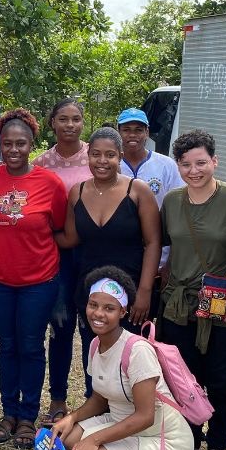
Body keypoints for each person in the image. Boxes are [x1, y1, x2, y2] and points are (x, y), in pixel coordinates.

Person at [50, 267, 193, 450]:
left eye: (109, 308)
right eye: (93, 305)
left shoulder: (137, 351)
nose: (99, 314)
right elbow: (100, 398)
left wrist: (95, 440)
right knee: (67, 437)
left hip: (161, 434)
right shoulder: (95, 345)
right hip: (121, 420)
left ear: (123, 313)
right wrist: (71, 417)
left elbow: (145, 416)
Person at [160, 129, 226, 450]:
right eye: (186, 164)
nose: (194, 170)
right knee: (183, 379)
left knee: (221, 378)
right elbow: (167, 246)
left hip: (225, 306)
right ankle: (190, 443)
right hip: (180, 306)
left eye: (201, 162)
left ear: (214, 161)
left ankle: (218, 447)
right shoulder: (171, 202)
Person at [0, 109, 68, 450]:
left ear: (33, 144)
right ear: (0, 144)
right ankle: (8, 412)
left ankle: (28, 417)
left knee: (31, 345)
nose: (14, 149)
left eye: (22, 143)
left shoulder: (50, 183)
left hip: (39, 280)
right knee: (8, 345)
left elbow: (61, 229)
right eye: (8, 143)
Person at [57, 126, 162, 394]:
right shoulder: (77, 193)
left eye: (110, 155)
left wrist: (144, 292)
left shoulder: (137, 191)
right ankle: (96, 406)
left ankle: (131, 415)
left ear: (120, 156)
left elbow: (153, 243)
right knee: (93, 353)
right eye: (96, 155)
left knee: (131, 357)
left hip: (130, 296)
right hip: (89, 293)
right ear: (87, 156)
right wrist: (29, 229)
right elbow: (70, 238)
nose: (102, 161)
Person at [33, 98, 92, 425]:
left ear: (83, 123)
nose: (70, 125)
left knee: (93, 328)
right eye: (63, 119)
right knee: (60, 326)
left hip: (93, 254)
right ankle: (57, 399)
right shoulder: (42, 162)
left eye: (76, 119)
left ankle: (92, 399)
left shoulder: (96, 156)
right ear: (52, 122)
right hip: (56, 255)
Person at [117, 107, 182, 321]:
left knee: (150, 323)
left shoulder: (166, 165)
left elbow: (177, 214)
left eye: (138, 129)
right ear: (119, 132)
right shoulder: (111, 164)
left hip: (159, 260)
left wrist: (170, 262)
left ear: (147, 132)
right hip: (121, 258)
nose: (132, 135)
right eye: (127, 130)